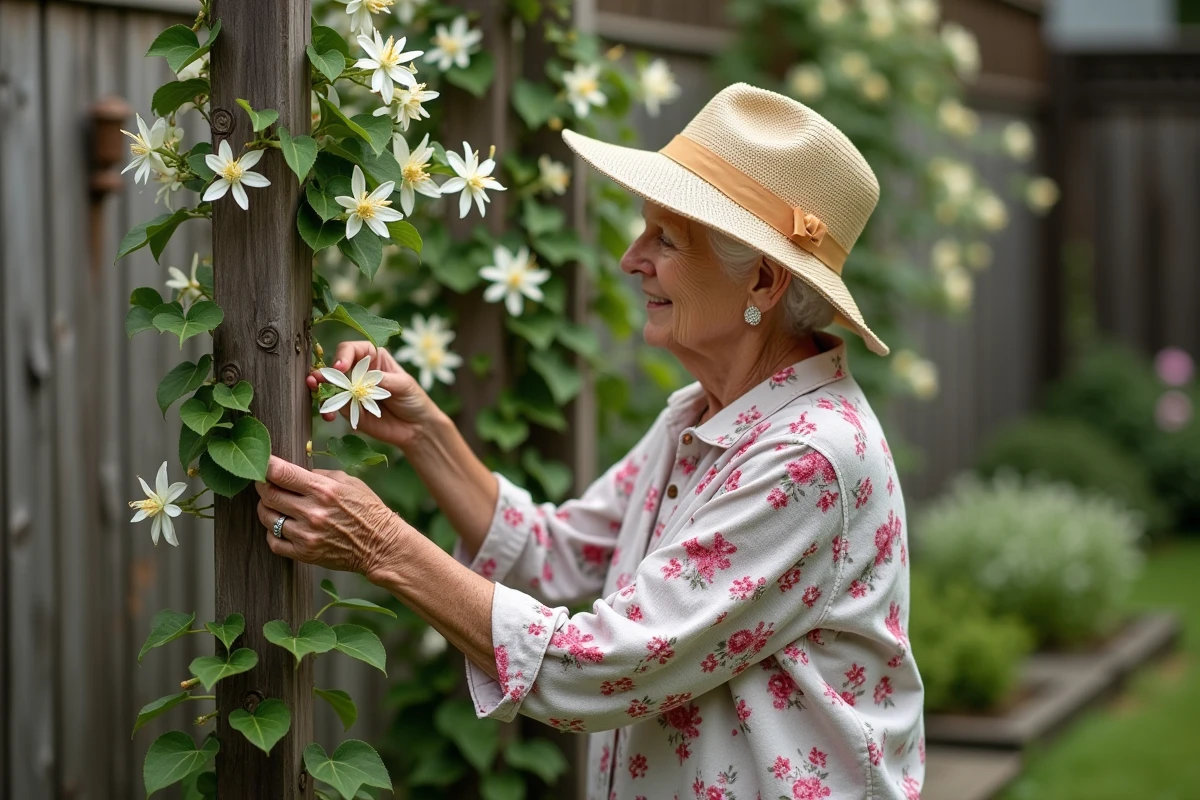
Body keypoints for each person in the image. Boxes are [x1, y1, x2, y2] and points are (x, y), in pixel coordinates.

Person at [255, 83, 924, 800]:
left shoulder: (807, 458)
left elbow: (602, 664)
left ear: (761, 279)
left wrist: (382, 545)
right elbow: (561, 557)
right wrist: (427, 435)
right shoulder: (706, 417)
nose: (631, 260)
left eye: (665, 239)